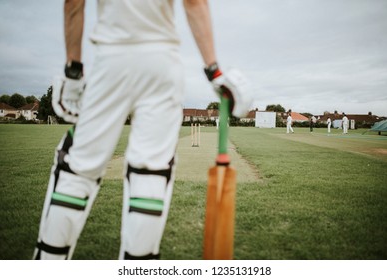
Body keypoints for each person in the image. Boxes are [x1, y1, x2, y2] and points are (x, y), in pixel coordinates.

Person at [33, 0, 253, 260]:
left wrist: (73, 71)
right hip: (162, 64)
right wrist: (214, 72)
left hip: (111, 60)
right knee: (150, 175)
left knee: (78, 170)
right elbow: (194, 3)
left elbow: (73, 4)